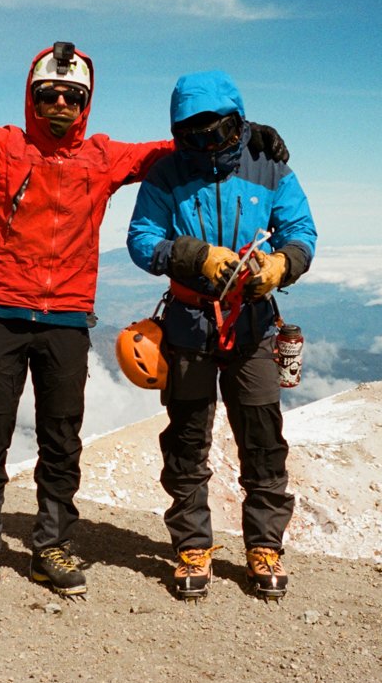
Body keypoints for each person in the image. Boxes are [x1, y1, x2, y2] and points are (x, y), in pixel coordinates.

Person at [0, 29, 288, 603]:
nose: (60, 105)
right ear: (33, 96)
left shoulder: (101, 158)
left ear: (85, 103)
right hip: (2, 312)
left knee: (61, 442)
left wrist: (249, 137)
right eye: (49, 94)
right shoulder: (1, 147)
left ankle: (51, 545)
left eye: (72, 97)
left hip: (68, 321)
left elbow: (185, 145)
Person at [125, 70, 317, 600]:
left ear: (240, 121)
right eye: (194, 136)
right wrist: (194, 255)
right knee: (188, 439)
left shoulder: (270, 166)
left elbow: (300, 230)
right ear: (177, 134)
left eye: (222, 132)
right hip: (189, 326)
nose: (209, 144)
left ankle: (265, 545)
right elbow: (142, 240)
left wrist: (282, 265)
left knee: (262, 436)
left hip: (252, 325)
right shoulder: (166, 175)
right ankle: (192, 544)